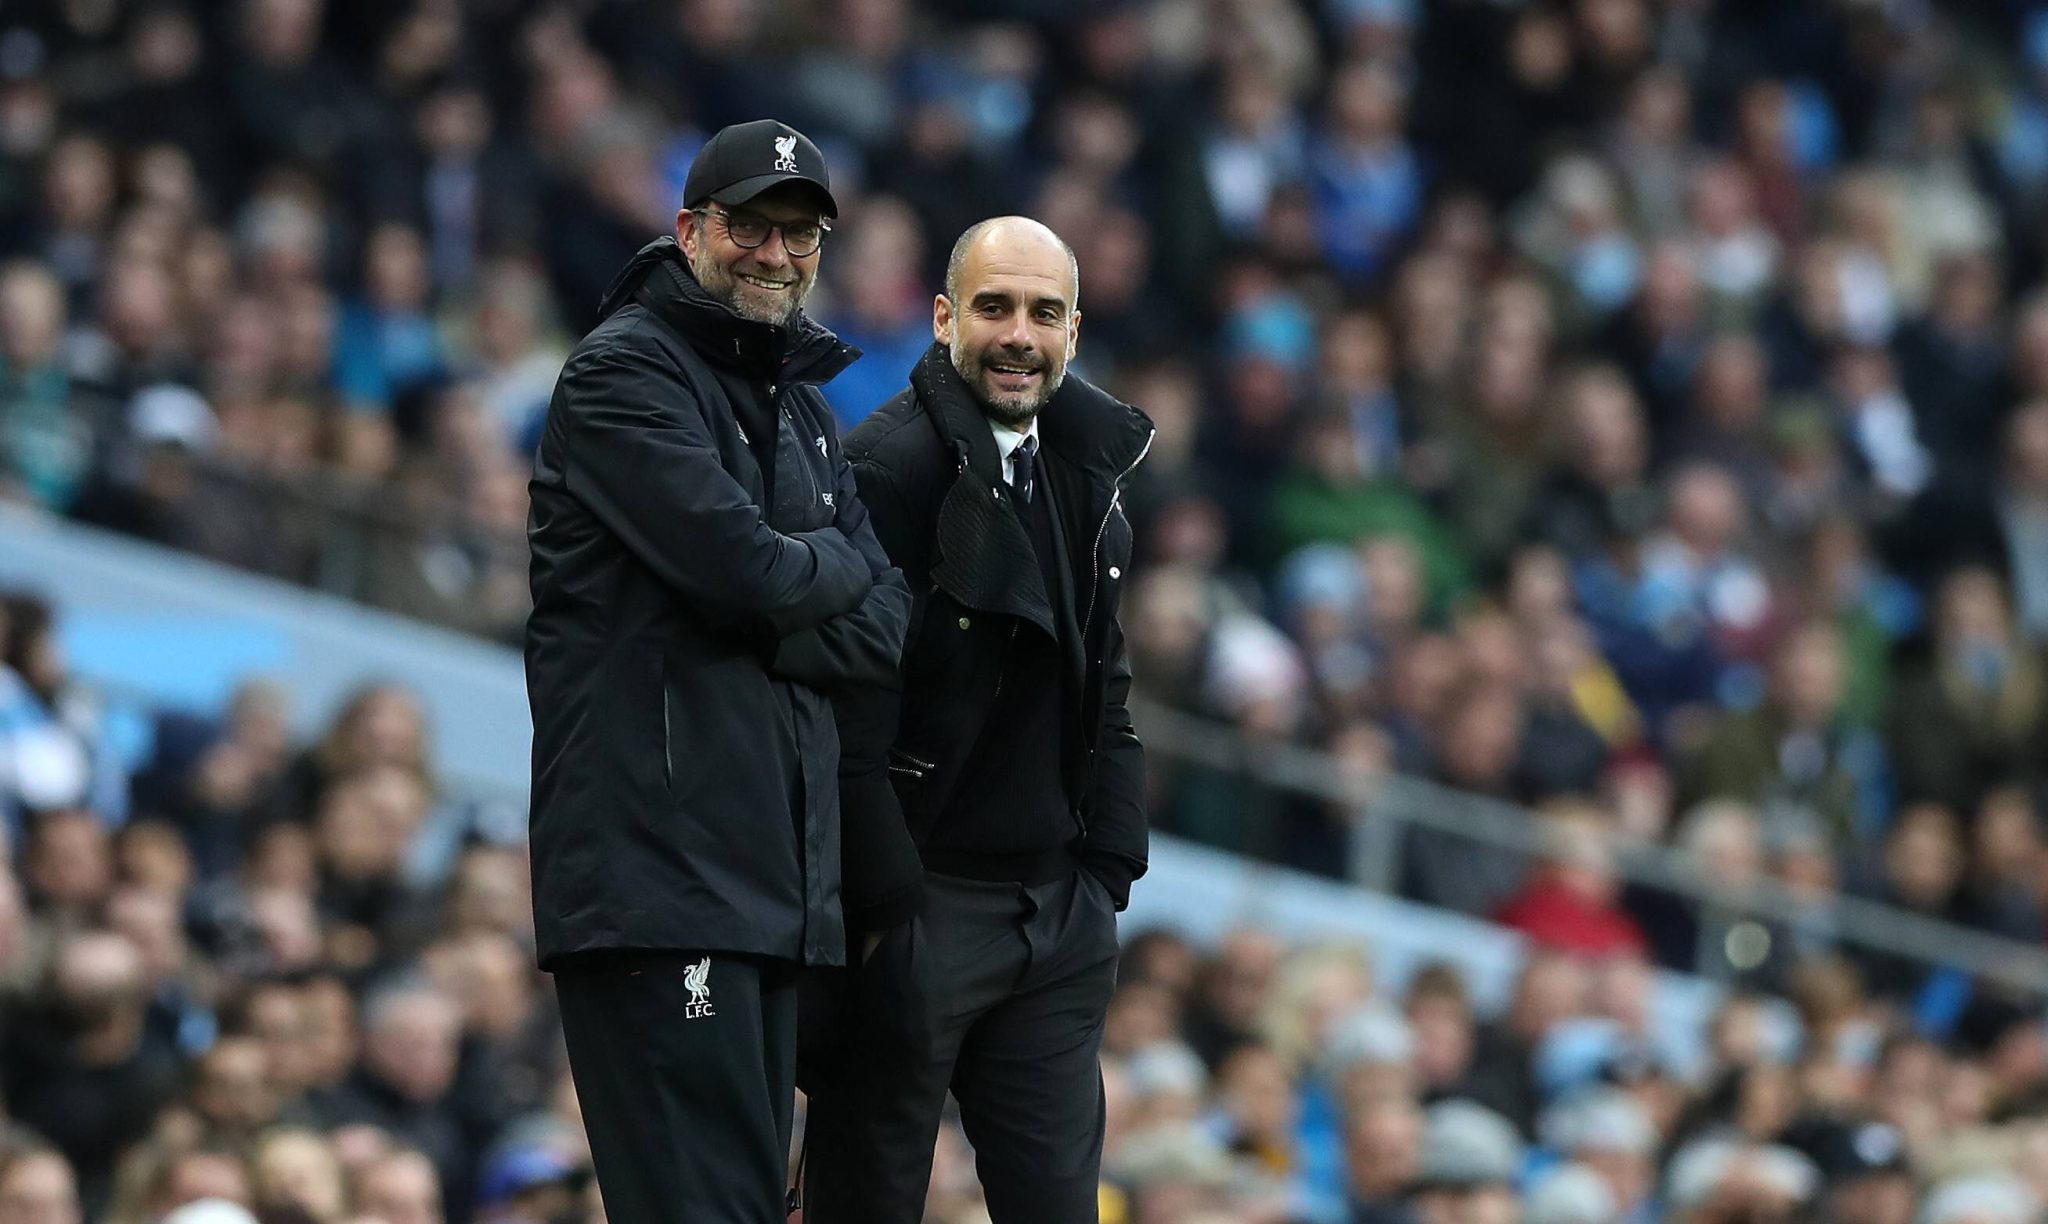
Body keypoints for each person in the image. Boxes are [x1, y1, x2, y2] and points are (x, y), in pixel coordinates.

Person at [524, 119, 909, 1224]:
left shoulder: (804, 410)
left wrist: (780, 589)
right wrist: (802, 576)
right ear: (690, 230)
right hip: (662, 879)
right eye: (751, 227)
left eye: (800, 236)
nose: (776, 255)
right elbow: (753, 575)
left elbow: (883, 628)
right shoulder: (621, 373)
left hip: (775, 890)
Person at [802, 216, 1154, 1221]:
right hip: (922, 911)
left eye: (1043, 313)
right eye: (993, 307)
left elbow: (1107, 680)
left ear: (1073, 333)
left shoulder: (1089, 474)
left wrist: (1105, 872)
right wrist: (890, 906)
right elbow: (846, 707)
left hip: (1055, 912)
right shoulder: (884, 470)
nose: (1017, 334)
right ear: (944, 316)